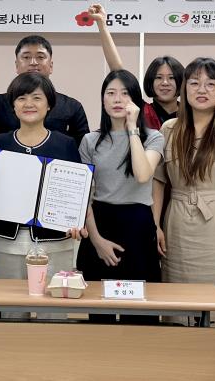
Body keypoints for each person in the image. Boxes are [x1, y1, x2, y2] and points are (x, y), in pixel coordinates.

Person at [152, 57, 215, 356]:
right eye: (194, 82)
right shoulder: (169, 128)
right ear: (184, 89)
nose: (202, 89)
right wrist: (155, 225)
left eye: (211, 83)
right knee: (178, 306)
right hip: (178, 223)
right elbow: (158, 181)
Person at [0, 72, 84, 319]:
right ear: (13, 105)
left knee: (55, 312)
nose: (29, 104)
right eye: (21, 98)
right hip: (7, 240)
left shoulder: (65, 144)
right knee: (11, 313)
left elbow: (76, 191)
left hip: (55, 240)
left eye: (37, 98)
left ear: (49, 105)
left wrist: (76, 220)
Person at [76, 69, 164, 323]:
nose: (117, 99)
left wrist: (132, 129)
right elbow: (85, 196)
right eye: (111, 93)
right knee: (99, 312)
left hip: (138, 225)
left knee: (140, 312)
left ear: (135, 101)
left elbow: (143, 174)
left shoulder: (154, 137)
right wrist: (96, 240)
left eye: (125, 94)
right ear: (102, 99)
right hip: (100, 222)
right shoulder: (90, 141)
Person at [0, 35, 89, 145]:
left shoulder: (72, 106)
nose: (33, 63)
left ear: (51, 65)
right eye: (26, 57)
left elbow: (82, 148)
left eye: (40, 57)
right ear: (17, 65)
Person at [89, 3, 184, 129]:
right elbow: (118, 71)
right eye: (158, 77)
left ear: (182, 81)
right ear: (150, 81)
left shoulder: (191, 114)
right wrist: (102, 24)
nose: (165, 83)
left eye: (171, 78)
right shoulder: (141, 110)